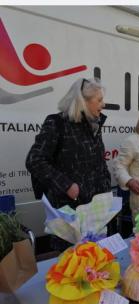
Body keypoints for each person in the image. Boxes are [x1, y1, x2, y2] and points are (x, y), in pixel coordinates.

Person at [26, 77, 111, 211]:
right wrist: (66, 185)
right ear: (83, 101)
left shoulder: (94, 126)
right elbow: (34, 160)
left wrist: (106, 185)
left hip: (98, 211)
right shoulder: (57, 123)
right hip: (70, 211)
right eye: (99, 100)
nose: (104, 104)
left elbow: (99, 164)